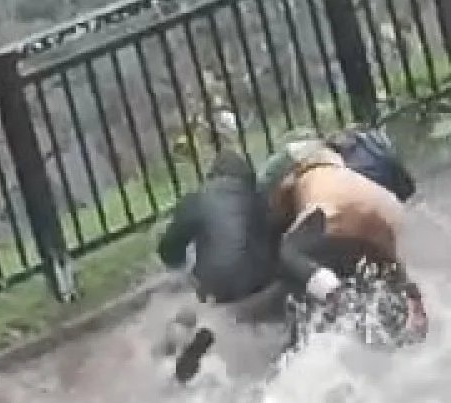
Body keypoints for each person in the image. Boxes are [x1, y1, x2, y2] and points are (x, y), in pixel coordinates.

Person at [264, 138, 429, 344]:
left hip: (336, 210)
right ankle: (404, 317)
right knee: (377, 274)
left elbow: (283, 213)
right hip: (388, 211)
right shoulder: (345, 172)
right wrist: (410, 289)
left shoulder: (300, 177)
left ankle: (336, 296)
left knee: (290, 252)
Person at [157, 148, 281, 382]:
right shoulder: (260, 198)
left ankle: (173, 351)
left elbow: (169, 250)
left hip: (217, 288)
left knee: (188, 310)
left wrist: (185, 269)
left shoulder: (197, 199)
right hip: (262, 285)